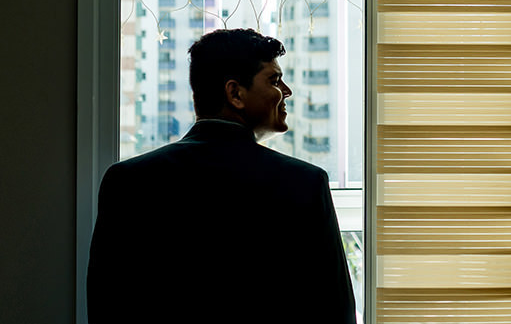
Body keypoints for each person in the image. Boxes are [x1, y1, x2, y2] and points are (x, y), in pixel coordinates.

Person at [87, 28, 356, 323]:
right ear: (235, 94)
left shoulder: (127, 181)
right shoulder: (305, 184)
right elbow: (335, 311)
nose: (286, 92)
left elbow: (106, 308)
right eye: (274, 80)